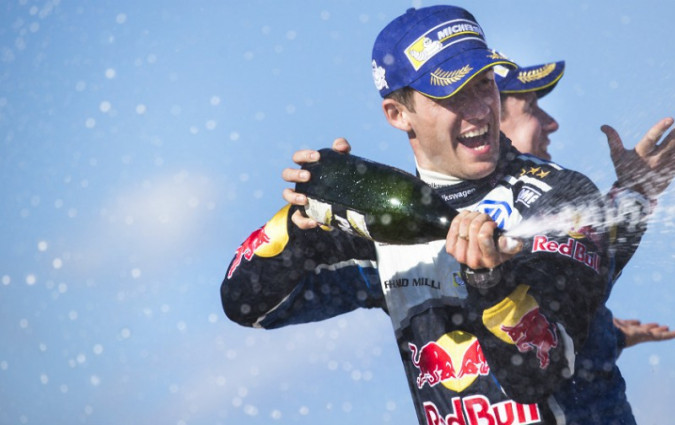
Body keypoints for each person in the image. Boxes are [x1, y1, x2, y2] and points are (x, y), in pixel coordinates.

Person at [222, 6, 611, 424]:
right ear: (397, 114)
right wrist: (298, 231)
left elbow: (539, 375)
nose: (480, 109)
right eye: (453, 94)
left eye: (484, 84)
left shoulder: (562, 196)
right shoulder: (384, 222)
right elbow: (245, 305)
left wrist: (493, 283)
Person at [495, 59, 675, 423]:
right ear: (485, 120)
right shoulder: (457, 228)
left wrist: (606, 334)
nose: (552, 123)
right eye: (531, 108)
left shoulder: (549, 210)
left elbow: (588, 271)